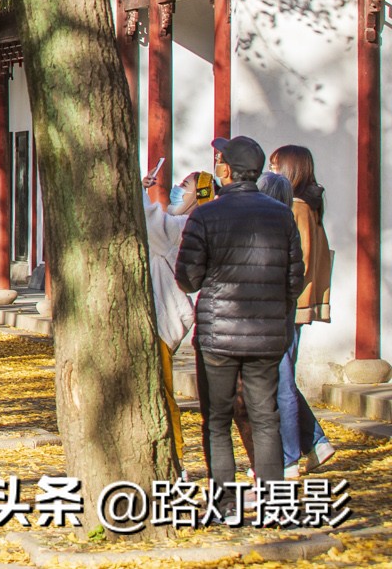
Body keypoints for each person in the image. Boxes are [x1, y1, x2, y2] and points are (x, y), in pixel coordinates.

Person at [174, 135, 304, 498]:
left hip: (218, 335)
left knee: (216, 420)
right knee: (265, 418)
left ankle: (226, 502)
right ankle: (274, 502)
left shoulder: (205, 214)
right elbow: (295, 279)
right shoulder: (282, 215)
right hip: (266, 336)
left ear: (227, 170)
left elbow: (187, 277)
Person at [268, 144, 336, 474]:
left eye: (276, 166)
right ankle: (318, 443)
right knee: (284, 380)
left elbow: (300, 261)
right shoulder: (309, 206)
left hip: (289, 306)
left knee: (281, 382)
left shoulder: (296, 208)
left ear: (292, 170)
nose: (271, 173)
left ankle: (290, 458)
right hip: (296, 305)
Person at [142, 163, 203, 473]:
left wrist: (139, 191)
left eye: (186, 185)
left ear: (200, 195)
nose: (179, 188)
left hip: (165, 319)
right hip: (165, 316)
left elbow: (150, 223)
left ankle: (175, 458)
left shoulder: (182, 228)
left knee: (163, 393)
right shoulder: (182, 224)